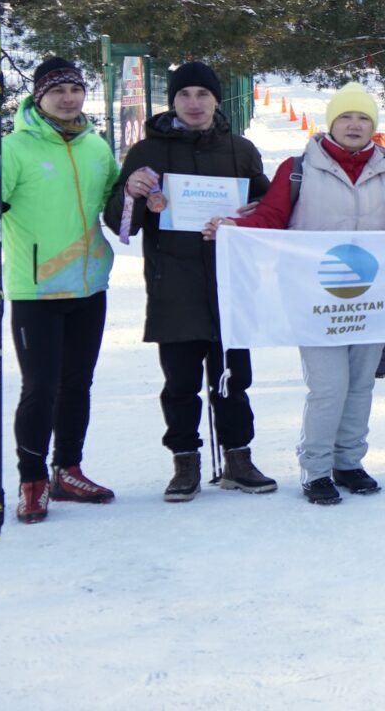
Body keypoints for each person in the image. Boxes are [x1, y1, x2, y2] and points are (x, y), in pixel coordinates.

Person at [225, 83, 385, 505]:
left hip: (370, 299)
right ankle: (315, 469)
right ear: (331, 122)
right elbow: (272, 217)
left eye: (363, 118)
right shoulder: (298, 169)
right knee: (329, 387)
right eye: (346, 117)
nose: (354, 125)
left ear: (373, 126)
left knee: (361, 385)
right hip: (316, 300)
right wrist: (234, 229)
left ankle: (348, 462)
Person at [104, 62, 276, 502]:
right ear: (173, 101)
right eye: (184, 94)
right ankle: (185, 461)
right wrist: (131, 193)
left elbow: (269, 207)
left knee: (233, 379)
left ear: (217, 100)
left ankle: (238, 458)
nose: (194, 103)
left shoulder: (240, 150)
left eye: (203, 94)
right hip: (174, 285)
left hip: (229, 282)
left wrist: (250, 213)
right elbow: (122, 224)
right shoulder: (147, 152)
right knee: (180, 384)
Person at [0, 57, 119, 524]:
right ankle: (32, 481)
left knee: (77, 384)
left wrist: (140, 193)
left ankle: (67, 470)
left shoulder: (96, 147)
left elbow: (113, 199)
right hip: (37, 289)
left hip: (89, 284)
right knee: (41, 387)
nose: (68, 98)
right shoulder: (12, 148)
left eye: (75, 89)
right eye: (57, 91)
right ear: (39, 96)